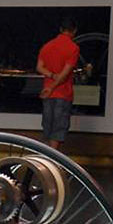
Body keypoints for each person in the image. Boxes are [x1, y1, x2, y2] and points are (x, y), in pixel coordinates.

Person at [36, 17, 80, 150]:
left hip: (47, 94)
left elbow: (39, 67)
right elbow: (65, 74)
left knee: (48, 128)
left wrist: (50, 77)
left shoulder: (47, 46)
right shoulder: (73, 48)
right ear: (74, 31)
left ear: (60, 30)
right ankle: (51, 161)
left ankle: (43, 160)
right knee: (58, 129)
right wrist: (53, 86)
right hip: (63, 93)